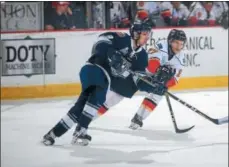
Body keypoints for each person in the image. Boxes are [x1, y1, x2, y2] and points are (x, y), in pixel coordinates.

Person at [42, 12, 154, 146]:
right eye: (145, 34)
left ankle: (53, 134)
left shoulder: (142, 57)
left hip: (102, 79)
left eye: (149, 34)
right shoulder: (122, 38)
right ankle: (80, 130)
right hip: (94, 69)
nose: (148, 37)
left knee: (80, 107)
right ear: (136, 33)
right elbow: (101, 41)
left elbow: (138, 80)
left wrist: (153, 86)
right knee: (99, 95)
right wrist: (113, 54)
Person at [129, 29, 187, 130]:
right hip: (143, 74)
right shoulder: (161, 45)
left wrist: (164, 84)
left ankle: (138, 119)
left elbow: (175, 79)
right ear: (170, 41)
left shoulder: (181, 57)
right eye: (176, 43)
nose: (179, 46)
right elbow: (151, 66)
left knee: (158, 94)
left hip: (155, 79)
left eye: (181, 44)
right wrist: (160, 74)